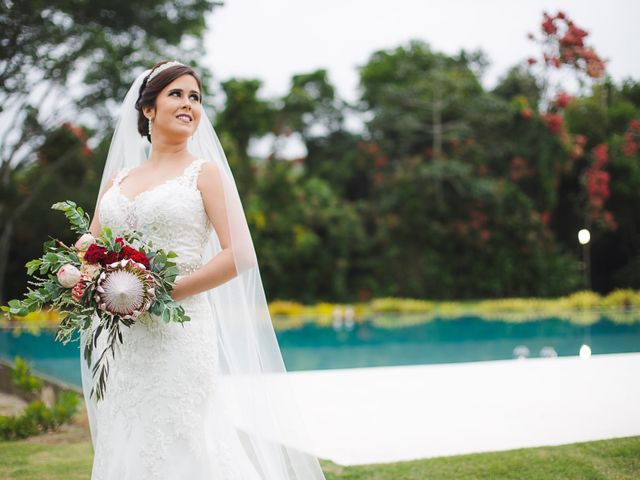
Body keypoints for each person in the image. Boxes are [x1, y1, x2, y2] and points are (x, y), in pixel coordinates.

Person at [82, 60, 327, 479]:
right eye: (175, 94)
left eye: (194, 97)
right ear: (147, 110)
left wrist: (161, 292)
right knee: (127, 433)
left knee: (185, 436)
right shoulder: (118, 181)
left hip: (181, 330)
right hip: (123, 339)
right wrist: (84, 278)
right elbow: (89, 250)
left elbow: (240, 254)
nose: (188, 104)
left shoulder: (204, 174)